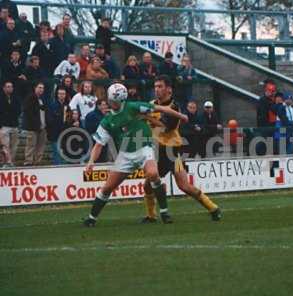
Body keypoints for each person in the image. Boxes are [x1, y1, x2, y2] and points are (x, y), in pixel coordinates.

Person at [83, 83, 189, 227]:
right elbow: (98, 145)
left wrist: (181, 115)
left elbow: (161, 108)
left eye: (116, 101)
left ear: (122, 100)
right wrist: (91, 161)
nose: (112, 103)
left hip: (144, 147)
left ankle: (164, 212)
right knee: (107, 188)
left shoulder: (133, 107)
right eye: (111, 100)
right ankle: (91, 218)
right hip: (125, 154)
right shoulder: (107, 121)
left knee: (152, 174)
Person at [141, 75, 221, 223]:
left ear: (169, 90)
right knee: (148, 185)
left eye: (160, 86)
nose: (156, 89)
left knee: (183, 186)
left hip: (172, 152)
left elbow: (165, 127)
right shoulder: (151, 104)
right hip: (158, 152)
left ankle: (213, 208)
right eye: (155, 86)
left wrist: (145, 117)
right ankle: (151, 216)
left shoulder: (174, 107)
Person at [22, 82, 47, 166]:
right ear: (35, 88)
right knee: (31, 146)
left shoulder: (42, 99)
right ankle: (28, 162)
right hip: (32, 128)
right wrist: (35, 124)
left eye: (42, 88)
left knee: (40, 147)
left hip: (42, 127)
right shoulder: (30, 97)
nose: (41, 89)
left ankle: (37, 162)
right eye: (39, 87)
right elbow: (27, 112)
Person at [46, 87, 70, 165]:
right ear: (57, 95)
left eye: (63, 94)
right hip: (55, 133)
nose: (61, 95)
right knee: (57, 152)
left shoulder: (67, 106)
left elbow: (69, 120)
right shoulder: (52, 105)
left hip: (65, 133)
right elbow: (49, 120)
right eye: (60, 94)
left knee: (64, 152)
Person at [0, 81, 20, 166]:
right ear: (4, 88)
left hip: (14, 125)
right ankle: (7, 162)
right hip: (4, 126)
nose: (10, 88)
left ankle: (11, 161)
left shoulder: (15, 98)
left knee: (14, 146)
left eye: (11, 86)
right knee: (5, 145)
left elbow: (19, 110)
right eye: (8, 86)